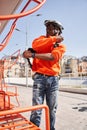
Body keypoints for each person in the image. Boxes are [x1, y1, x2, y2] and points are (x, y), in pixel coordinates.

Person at [23, 20, 66, 130]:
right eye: (47, 27)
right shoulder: (40, 40)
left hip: (53, 80)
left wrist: (33, 54)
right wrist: (53, 39)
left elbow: (52, 57)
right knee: (36, 110)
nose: (48, 30)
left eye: (51, 28)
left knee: (52, 110)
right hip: (39, 78)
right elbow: (36, 45)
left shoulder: (61, 47)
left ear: (57, 30)